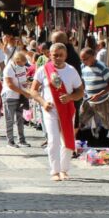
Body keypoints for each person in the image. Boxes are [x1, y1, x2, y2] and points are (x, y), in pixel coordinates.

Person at [30, 43, 83, 179]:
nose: (58, 58)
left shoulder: (72, 70)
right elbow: (33, 90)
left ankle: (64, 170)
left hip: (67, 109)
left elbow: (80, 92)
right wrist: (42, 102)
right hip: (50, 110)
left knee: (67, 140)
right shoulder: (43, 70)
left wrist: (70, 97)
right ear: (49, 55)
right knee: (53, 140)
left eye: (61, 55)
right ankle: (54, 171)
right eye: (55, 55)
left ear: (66, 56)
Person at [79, 47, 109, 145]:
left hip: (102, 101)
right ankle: (69, 144)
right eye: (82, 59)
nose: (83, 61)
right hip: (88, 100)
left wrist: (99, 94)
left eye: (85, 59)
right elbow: (83, 82)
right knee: (79, 121)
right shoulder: (83, 67)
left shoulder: (102, 67)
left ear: (93, 56)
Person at [2, 50, 32, 148]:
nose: (23, 66)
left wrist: (27, 88)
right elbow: (10, 84)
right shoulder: (8, 69)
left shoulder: (22, 67)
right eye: (21, 64)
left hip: (20, 97)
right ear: (16, 61)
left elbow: (23, 80)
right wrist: (23, 92)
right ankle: (10, 141)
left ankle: (21, 140)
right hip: (9, 96)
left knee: (20, 119)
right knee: (10, 119)